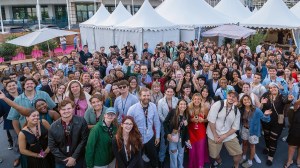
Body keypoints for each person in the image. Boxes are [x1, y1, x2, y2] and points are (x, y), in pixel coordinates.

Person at [260, 82, 294, 166]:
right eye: (271, 88)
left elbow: (286, 100)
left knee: (273, 139)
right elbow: (261, 108)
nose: (273, 89)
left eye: (275, 87)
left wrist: (290, 98)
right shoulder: (265, 96)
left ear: (277, 89)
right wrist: (263, 106)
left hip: (277, 123)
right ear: (269, 89)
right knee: (266, 136)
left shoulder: (281, 97)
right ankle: (268, 148)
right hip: (266, 121)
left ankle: (270, 156)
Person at [207, 90, 242, 168]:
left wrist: (224, 136)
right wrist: (215, 136)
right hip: (214, 133)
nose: (231, 98)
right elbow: (211, 121)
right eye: (230, 96)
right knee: (214, 155)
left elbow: (235, 128)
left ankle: (236, 166)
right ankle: (219, 161)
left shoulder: (237, 111)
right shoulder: (218, 104)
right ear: (227, 96)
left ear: (236, 99)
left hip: (228, 134)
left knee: (239, 153)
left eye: (234, 97)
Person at [48, 99, 89, 168]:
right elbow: (52, 146)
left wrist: (73, 158)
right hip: (61, 161)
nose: (66, 111)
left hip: (78, 159)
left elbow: (83, 140)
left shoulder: (81, 121)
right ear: (59, 110)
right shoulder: (53, 126)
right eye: (63, 109)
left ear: (73, 109)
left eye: (69, 108)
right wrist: (65, 160)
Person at [127, 87, 161, 168]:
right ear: (140, 96)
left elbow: (156, 122)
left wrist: (157, 136)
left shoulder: (153, 106)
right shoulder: (132, 109)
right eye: (144, 95)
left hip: (150, 137)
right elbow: (127, 125)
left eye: (148, 95)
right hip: (137, 138)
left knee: (154, 157)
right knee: (136, 159)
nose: (146, 97)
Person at [239, 94, 271, 168]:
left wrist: (266, 115)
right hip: (244, 129)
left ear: (250, 100)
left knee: (252, 146)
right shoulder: (241, 109)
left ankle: (250, 161)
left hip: (253, 131)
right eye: (245, 100)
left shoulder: (256, 110)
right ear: (242, 102)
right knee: (244, 144)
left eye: (248, 99)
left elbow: (265, 120)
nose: (247, 101)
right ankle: (243, 157)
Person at [163, 99, 189, 168]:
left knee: (181, 154)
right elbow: (165, 123)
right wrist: (168, 134)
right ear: (178, 105)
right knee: (173, 154)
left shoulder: (186, 114)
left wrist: (188, 138)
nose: (182, 106)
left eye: (184, 104)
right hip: (173, 136)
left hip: (182, 138)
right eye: (181, 104)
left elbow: (187, 129)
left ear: (186, 106)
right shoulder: (173, 112)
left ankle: (180, 166)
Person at [157, 87, 178, 166]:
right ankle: (161, 159)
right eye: (168, 91)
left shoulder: (176, 100)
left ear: (173, 93)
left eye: (171, 92)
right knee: (163, 143)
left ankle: (172, 158)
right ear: (165, 92)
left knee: (173, 141)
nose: (169, 93)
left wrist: (173, 123)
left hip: (175, 125)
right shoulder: (160, 101)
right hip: (165, 125)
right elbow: (159, 114)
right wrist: (167, 122)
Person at [188, 93, 210, 168]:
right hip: (191, 131)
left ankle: (200, 165)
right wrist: (191, 119)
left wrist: (203, 120)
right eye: (195, 99)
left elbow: (208, 119)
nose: (196, 100)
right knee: (192, 149)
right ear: (192, 100)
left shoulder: (205, 108)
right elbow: (185, 119)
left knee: (200, 148)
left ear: (201, 100)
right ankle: (192, 164)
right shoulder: (188, 107)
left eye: (198, 99)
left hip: (201, 131)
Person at [284, 99, 300, 168]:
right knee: (292, 145)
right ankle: (289, 160)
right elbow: (295, 105)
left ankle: (298, 160)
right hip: (297, 126)